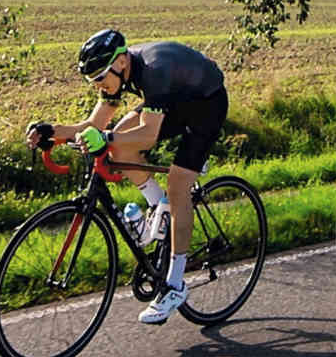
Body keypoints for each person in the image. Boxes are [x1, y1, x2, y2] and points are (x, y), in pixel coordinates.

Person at [25, 28, 227, 325]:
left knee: (178, 184)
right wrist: (51, 132)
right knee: (119, 145)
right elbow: (92, 124)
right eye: (91, 81)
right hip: (176, 99)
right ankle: (161, 211)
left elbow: (147, 136)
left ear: (120, 63)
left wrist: (104, 139)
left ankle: (175, 284)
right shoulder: (117, 74)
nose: (97, 86)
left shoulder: (153, 71)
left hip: (207, 104)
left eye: (98, 78)